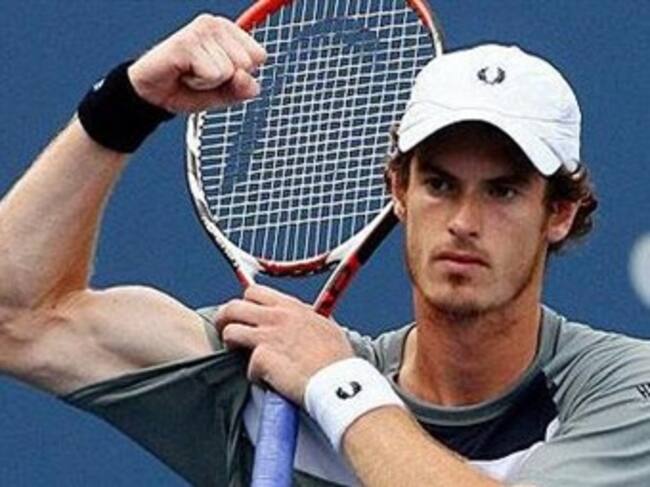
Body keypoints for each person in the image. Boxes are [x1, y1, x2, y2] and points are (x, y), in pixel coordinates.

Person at [0, 13, 649, 487]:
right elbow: (17, 319)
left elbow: (334, 382)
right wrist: (127, 103)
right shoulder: (276, 379)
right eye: (439, 184)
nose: (463, 222)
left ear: (559, 213)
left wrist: (336, 388)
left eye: (502, 191)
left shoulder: (620, 391)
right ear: (398, 190)